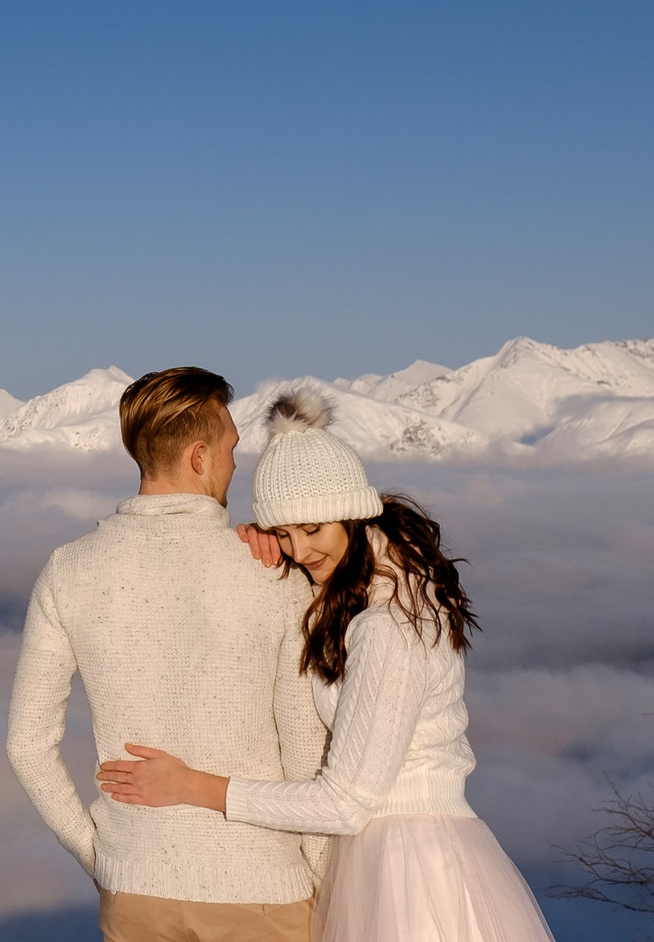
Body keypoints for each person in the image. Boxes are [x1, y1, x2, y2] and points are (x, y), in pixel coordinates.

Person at [94, 391, 552, 942]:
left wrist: (189, 785)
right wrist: (262, 543)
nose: (300, 550)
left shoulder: (387, 628)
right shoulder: (373, 592)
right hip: (393, 856)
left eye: (312, 529)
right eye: (285, 533)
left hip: (409, 872)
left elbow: (344, 802)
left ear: (352, 513)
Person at [8, 367, 328, 942]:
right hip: (263, 893)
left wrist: (103, 859)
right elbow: (305, 747)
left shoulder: (69, 569)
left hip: (136, 897)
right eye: (231, 448)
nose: (236, 463)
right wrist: (324, 880)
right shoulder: (272, 574)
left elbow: (26, 746)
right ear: (199, 457)